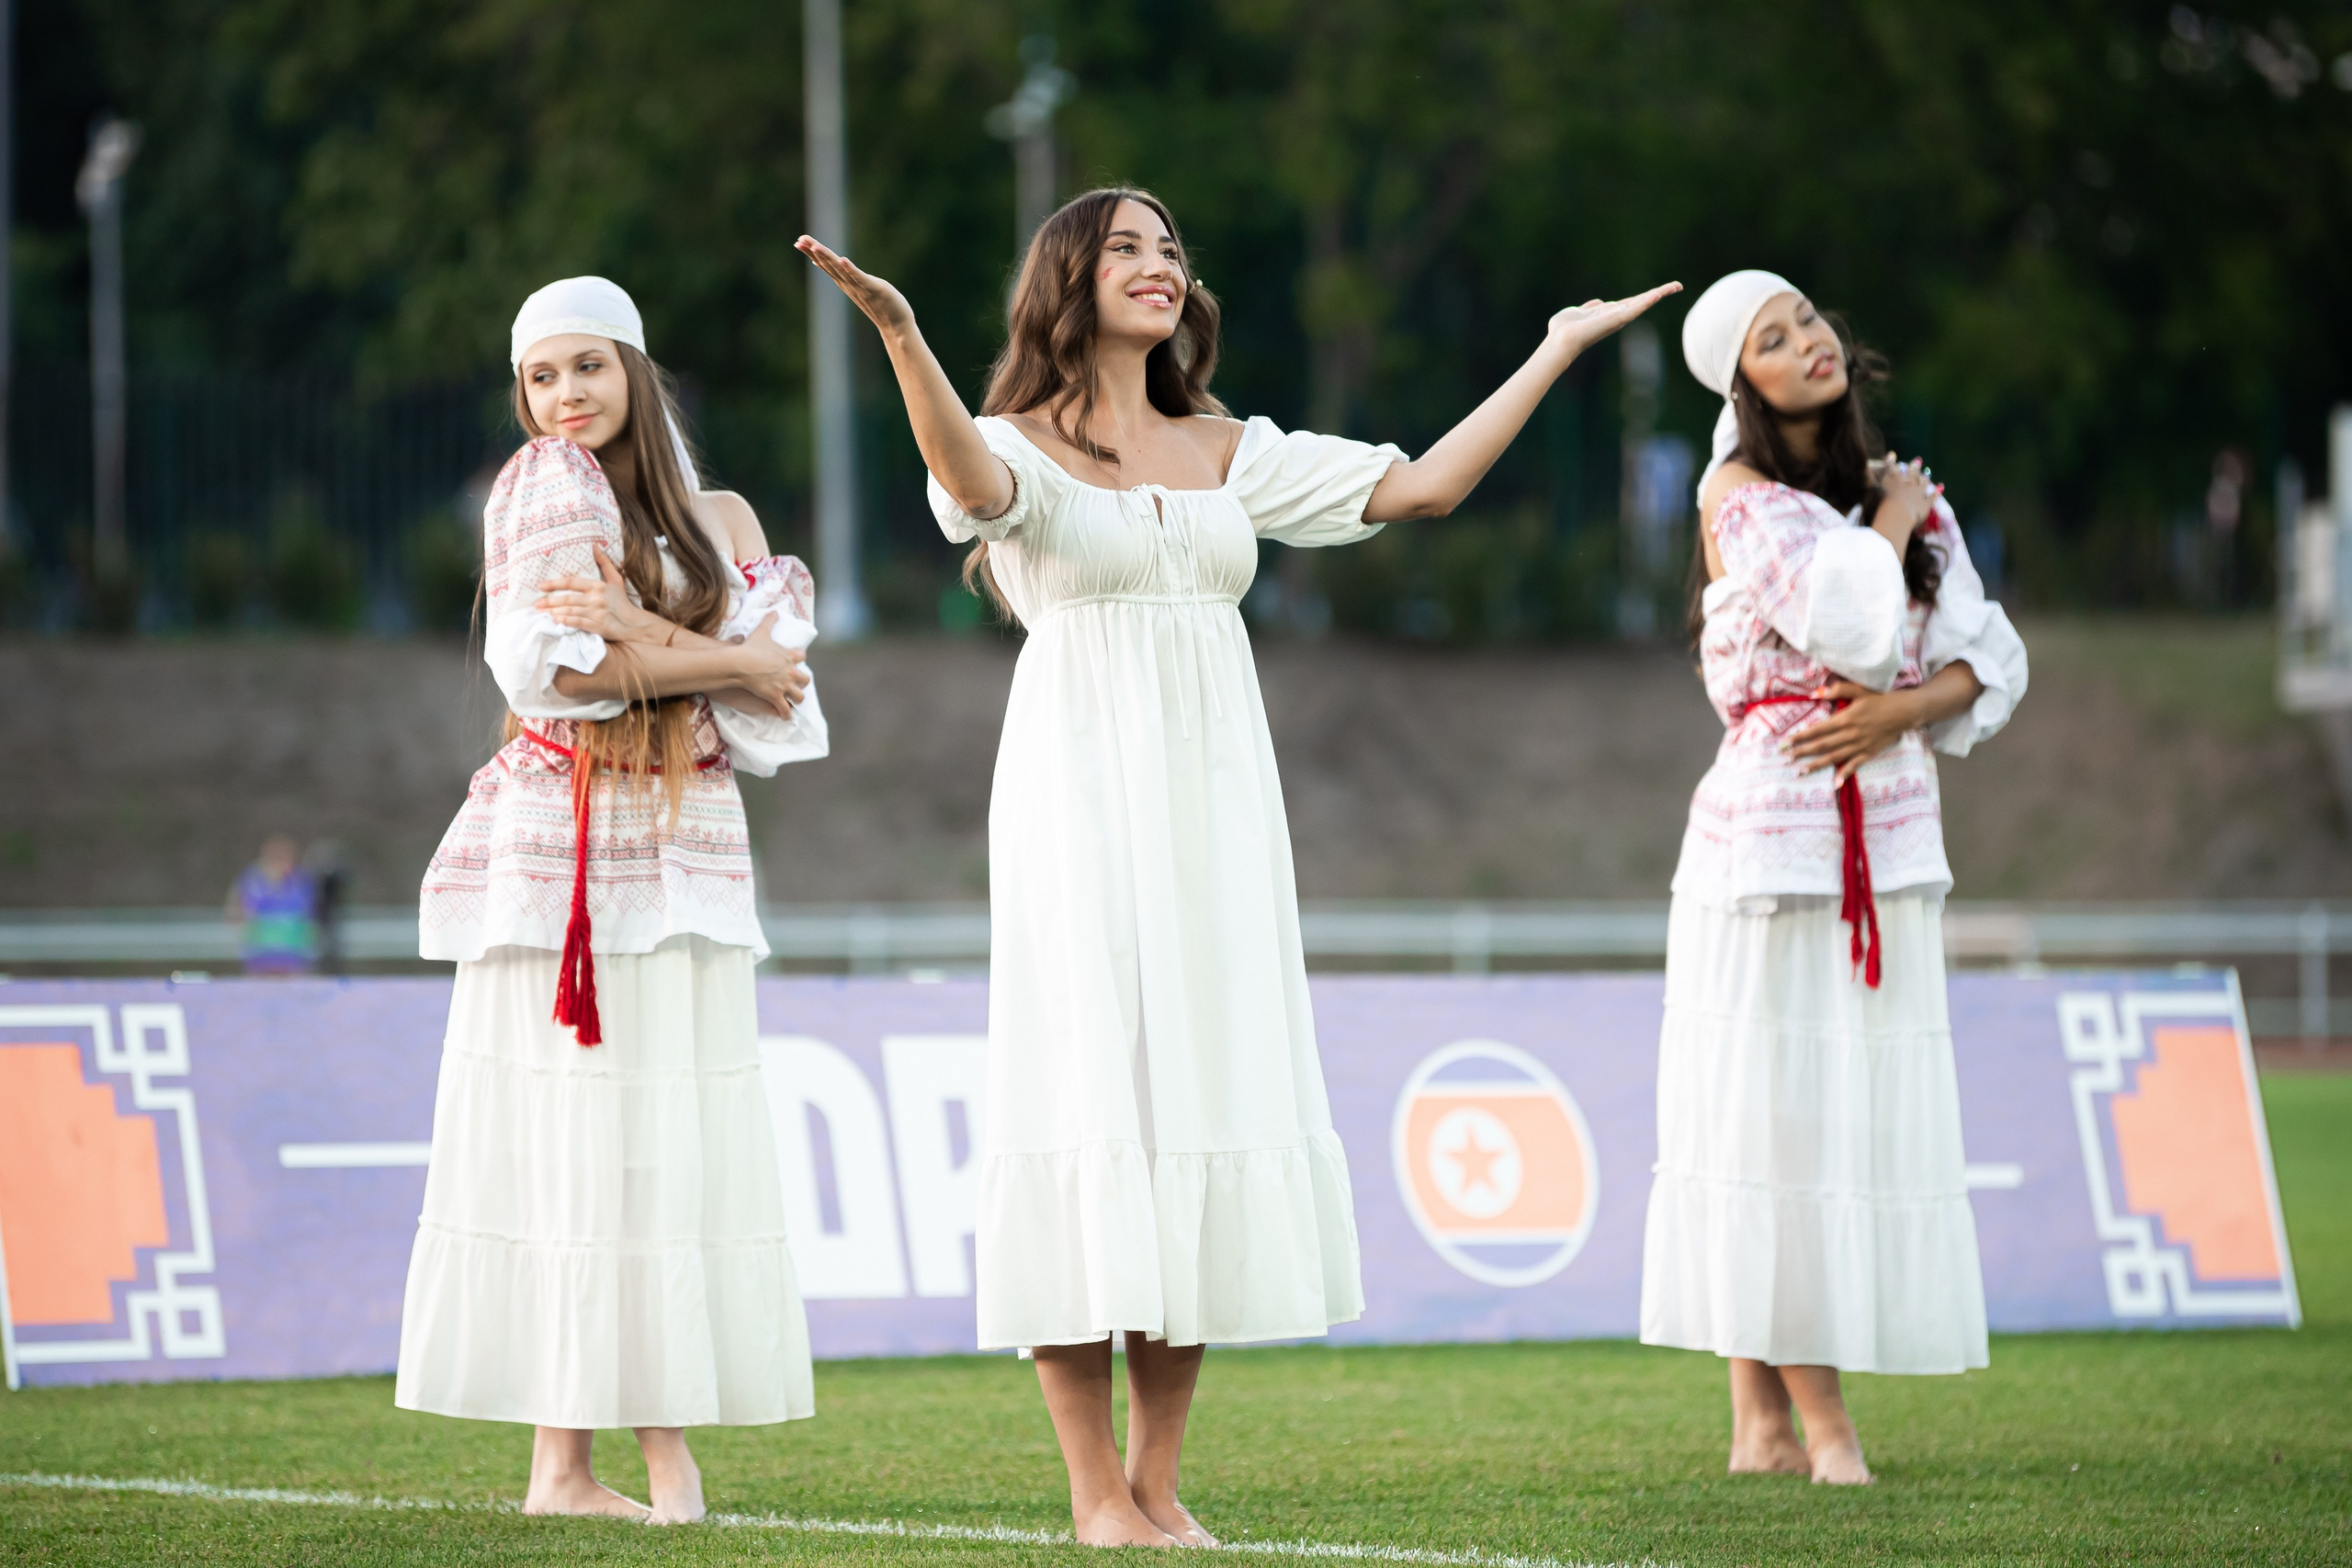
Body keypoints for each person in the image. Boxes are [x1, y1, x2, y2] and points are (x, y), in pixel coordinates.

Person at [798, 189, 1677, 1546]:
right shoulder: (1011, 444)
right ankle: (1093, 1491)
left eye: (1171, 248)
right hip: (1077, 802)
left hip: (1217, 809)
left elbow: (1422, 486)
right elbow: (970, 493)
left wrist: (1557, 347)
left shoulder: (1232, 446)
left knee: (1202, 1100)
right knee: (1093, 1098)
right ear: (1069, 281)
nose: (1160, 266)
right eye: (1128, 247)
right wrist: (906, 339)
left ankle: (1156, 1480)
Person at [396, 276, 830, 1524]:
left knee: (659, 1149)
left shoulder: (722, 513)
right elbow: (567, 673)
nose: (565, 395)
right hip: (563, 862)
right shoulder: (544, 489)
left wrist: (666, 634)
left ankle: (622, 1457)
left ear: (636, 369)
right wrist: (727, 655)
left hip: (684, 856)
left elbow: (788, 714)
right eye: (541, 375)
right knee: (581, 1147)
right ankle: (576, 1462)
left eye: (588, 366)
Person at [1640, 270, 2030, 1484]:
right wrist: (1900, 522)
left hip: (1891, 832)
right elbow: (1850, 618)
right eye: (1770, 337)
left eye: (1806, 319)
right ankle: (1819, 1419)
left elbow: (1993, 657)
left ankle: (1760, 1416)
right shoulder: (1739, 497)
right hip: (1770, 846)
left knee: (1829, 1118)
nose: (1804, 342)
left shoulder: (1895, 493)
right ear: (1739, 382)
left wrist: (1899, 713)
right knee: (1770, 1119)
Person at [225, 834, 319, 976]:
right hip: (258, 961)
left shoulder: (302, 882)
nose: (281, 863)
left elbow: (312, 918)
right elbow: (235, 914)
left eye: (284, 858)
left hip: (295, 962)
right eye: (276, 858)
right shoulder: (250, 881)